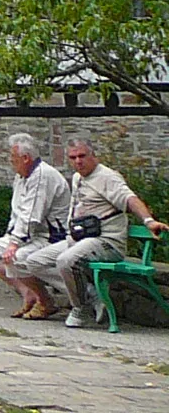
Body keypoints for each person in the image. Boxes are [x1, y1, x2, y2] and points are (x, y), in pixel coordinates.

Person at [54, 138, 169, 328]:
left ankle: (80, 309)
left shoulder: (107, 177)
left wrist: (148, 221)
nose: (78, 161)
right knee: (34, 261)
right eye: (73, 157)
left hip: (106, 242)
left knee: (66, 261)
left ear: (93, 156)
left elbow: (130, 198)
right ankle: (93, 296)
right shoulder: (77, 177)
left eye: (82, 156)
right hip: (80, 239)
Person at [0, 134, 69, 319]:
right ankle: (28, 293)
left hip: (50, 236)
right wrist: (10, 237)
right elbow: (17, 213)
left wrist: (14, 243)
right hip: (29, 236)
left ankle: (45, 300)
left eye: (13, 158)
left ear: (26, 158)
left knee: (16, 256)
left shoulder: (42, 176)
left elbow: (31, 216)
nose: (10, 161)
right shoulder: (22, 177)